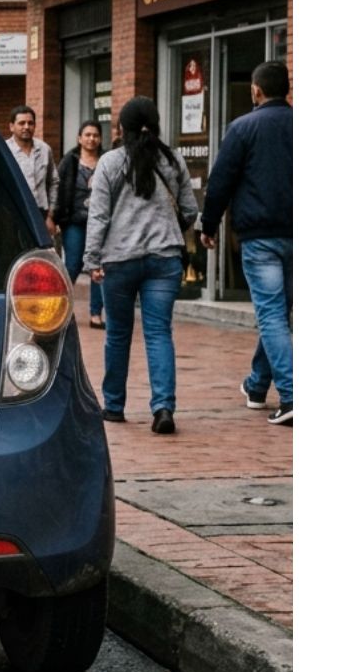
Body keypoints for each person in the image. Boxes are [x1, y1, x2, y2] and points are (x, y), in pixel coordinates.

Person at [83, 96, 197, 435]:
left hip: (119, 260)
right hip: (165, 259)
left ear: (122, 129)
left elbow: (99, 215)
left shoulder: (110, 162)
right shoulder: (173, 160)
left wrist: (91, 259)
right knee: (159, 333)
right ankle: (163, 407)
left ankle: (114, 406)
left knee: (117, 335)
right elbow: (190, 210)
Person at [197, 60, 293, 426]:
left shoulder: (242, 128)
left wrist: (208, 224)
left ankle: (291, 394)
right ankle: (257, 386)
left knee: (270, 315)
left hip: (260, 237)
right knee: (278, 315)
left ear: (255, 90)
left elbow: (221, 180)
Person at [54, 120, 107, 329]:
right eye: (87, 135)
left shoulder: (106, 160)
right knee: (73, 264)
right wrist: (56, 216)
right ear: (79, 138)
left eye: (95, 135)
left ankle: (96, 314)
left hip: (101, 223)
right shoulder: (70, 161)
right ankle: (60, 309)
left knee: (98, 267)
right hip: (74, 221)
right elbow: (59, 189)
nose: (91, 139)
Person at [6, 105, 58, 237]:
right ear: (12, 126)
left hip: (41, 213)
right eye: (21, 123)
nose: (26, 127)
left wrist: (50, 215)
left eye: (30, 123)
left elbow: (53, 182)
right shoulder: (4, 150)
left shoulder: (44, 149)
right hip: (13, 212)